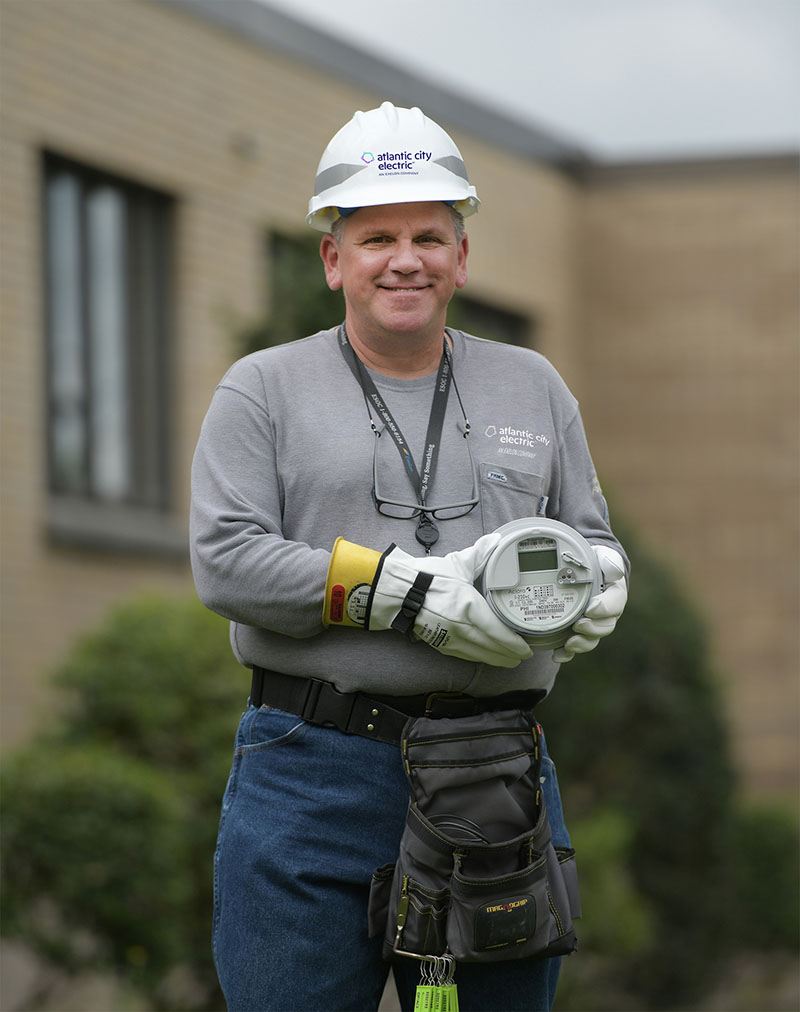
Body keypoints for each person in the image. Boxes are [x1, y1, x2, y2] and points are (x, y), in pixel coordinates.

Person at [190, 101, 629, 1012]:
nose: (405, 259)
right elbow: (226, 560)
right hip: (311, 773)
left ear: (461, 258)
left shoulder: (533, 384)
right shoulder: (263, 390)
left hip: (495, 777)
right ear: (332, 258)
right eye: (377, 236)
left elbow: (592, 539)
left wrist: (597, 583)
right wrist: (402, 593)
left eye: (430, 236)